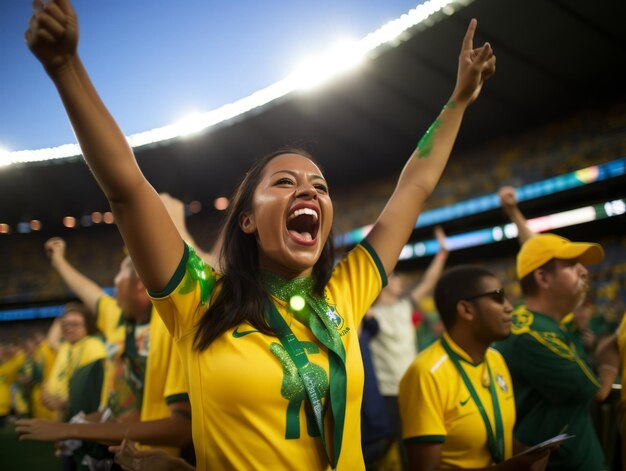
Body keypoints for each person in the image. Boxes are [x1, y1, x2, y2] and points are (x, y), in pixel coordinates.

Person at [25, 1, 496, 468]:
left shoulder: (344, 296)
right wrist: (67, 68)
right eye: (285, 182)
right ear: (247, 219)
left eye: (320, 187)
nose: (308, 191)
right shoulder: (199, 301)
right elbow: (127, 189)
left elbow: (414, 185)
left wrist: (457, 103)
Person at [17, 244, 193, 462]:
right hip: (121, 456)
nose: (114, 282)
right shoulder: (117, 319)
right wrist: (58, 260)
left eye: (120, 273)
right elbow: (88, 291)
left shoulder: (171, 327)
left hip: (158, 460)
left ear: (139, 283)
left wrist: (73, 430)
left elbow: (182, 428)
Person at [398, 265, 551, 470]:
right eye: (498, 297)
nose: (509, 307)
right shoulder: (426, 373)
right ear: (466, 310)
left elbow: (498, 437)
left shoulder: (496, 359)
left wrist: (527, 454)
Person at [494, 233, 618, 470]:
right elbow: (592, 386)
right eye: (572, 265)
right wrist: (608, 359)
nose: (584, 271)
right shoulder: (533, 335)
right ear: (542, 278)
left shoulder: (541, 322)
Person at [367, 226, 449, 469]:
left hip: (411, 385)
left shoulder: (405, 306)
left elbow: (429, 281)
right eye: (394, 278)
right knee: (389, 448)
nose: (399, 281)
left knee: (414, 444)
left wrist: (442, 253)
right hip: (387, 391)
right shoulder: (369, 313)